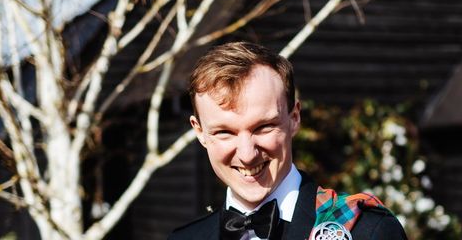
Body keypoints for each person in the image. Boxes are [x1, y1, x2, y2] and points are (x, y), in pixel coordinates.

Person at [169, 42, 407, 240]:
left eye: (263, 127)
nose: (247, 154)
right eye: (225, 132)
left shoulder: (368, 232)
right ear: (199, 132)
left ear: (294, 119)